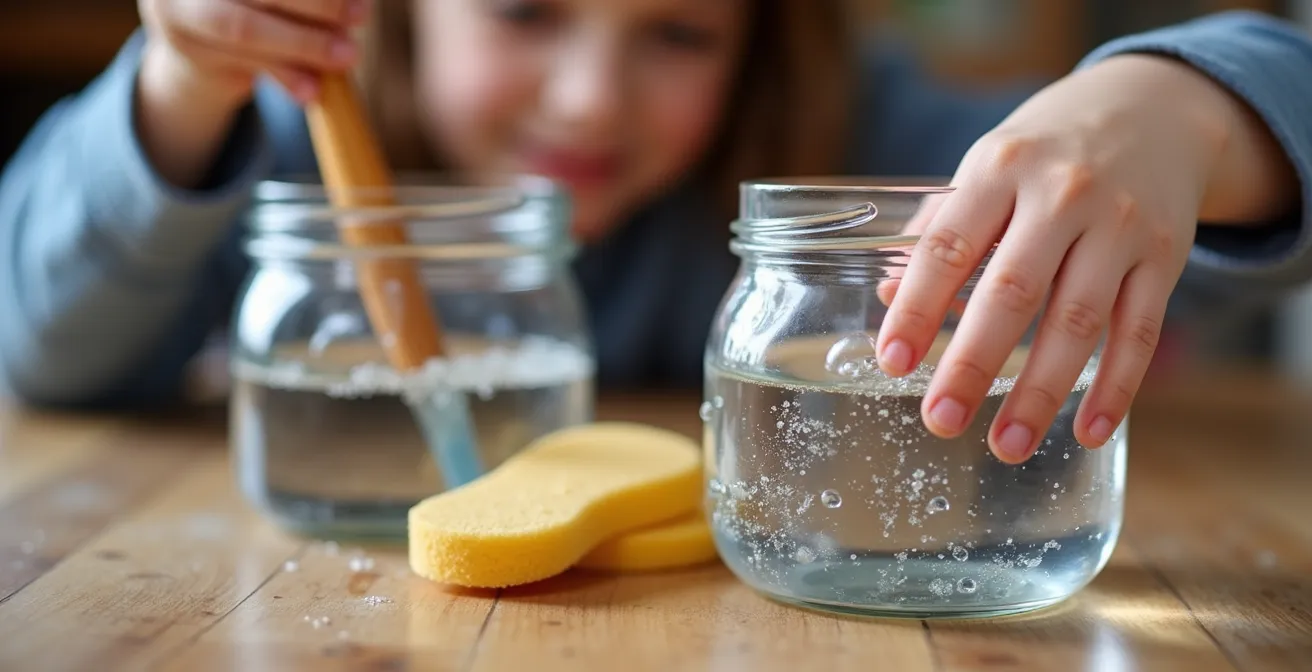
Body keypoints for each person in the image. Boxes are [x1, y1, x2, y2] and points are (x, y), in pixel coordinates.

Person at [0, 0, 1309, 466]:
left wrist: (1184, 111)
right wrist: (181, 85)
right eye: (524, 10)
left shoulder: (859, 155)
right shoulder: (282, 151)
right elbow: (39, 347)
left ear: (760, 49)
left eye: (679, 34)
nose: (588, 99)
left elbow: (1152, 197)